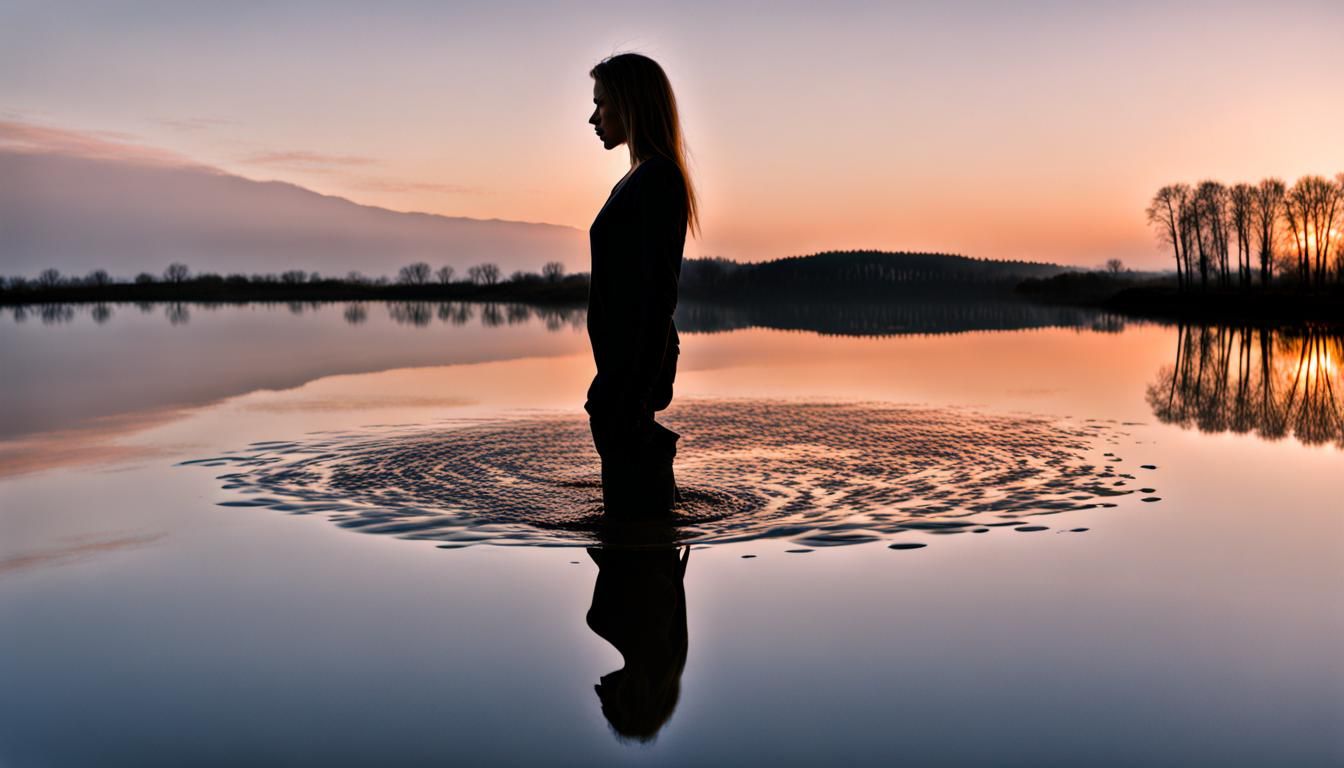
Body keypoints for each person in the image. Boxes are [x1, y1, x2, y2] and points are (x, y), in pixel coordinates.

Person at [585, 53, 700, 517]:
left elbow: (658, 295)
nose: (593, 117)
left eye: (601, 103)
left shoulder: (657, 179)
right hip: (622, 370)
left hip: (630, 372)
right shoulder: (635, 179)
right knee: (631, 517)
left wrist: (630, 390)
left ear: (629, 103)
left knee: (636, 517)